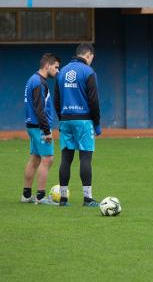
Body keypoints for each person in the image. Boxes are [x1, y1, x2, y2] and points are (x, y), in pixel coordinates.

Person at [54, 43, 101, 207]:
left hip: (66, 119)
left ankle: (63, 198)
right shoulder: (89, 72)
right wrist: (97, 124)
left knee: (66, 159)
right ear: (88, 55)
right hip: (84, 120)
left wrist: (62, 118)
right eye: (92, 58)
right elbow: (94, 101)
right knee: (85, 158)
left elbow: (56, 99)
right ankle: (87, 199)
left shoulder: (62, 72)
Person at [21, 53, 60, 205]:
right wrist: (46, 130)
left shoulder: (33, 79)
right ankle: (41, 197)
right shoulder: (39, 82)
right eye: (56, 67)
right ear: (47, 65)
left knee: (35, 158)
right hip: (39, 128)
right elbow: (40, 109)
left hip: (32, 126)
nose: (57, 71)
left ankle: (26, 196)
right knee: (48, 159)